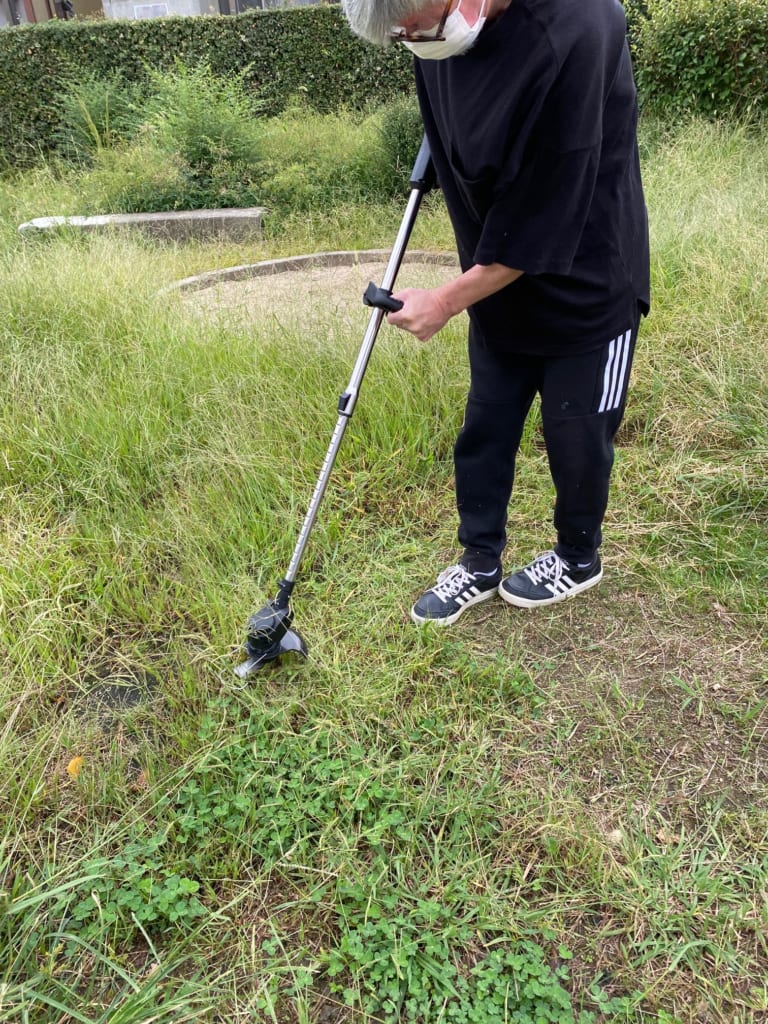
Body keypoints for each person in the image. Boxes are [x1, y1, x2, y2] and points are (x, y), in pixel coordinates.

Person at [341, 0, 650, 625]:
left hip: (589, 274)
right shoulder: (437, 37)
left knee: (576, 436)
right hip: (497, 282)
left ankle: (578, 555)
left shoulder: (581, 29)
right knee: (485, 430)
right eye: (403, 36)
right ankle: (479, 560)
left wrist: (445, 301)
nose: (414, 40)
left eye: (418, 26)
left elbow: (547, 212)